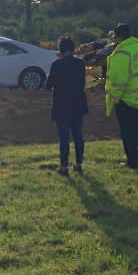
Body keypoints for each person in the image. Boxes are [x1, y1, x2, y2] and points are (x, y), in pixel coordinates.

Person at [105, 22, 138, 169]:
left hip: (126, 98)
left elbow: (118, 80)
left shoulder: (122, 53)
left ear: (118, 37)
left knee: (128, 132)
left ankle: (133, 161)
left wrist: (114, 98)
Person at [45, 36, 88, 175]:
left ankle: (64, 166)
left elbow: (48, 85)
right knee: (78, 136)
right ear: (73, 49)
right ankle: (78, 163)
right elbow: (82, 84)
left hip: (61, 105)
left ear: (60, 50)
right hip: (78, 103)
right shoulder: (81, 64)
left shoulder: (57, 65)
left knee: (64, 138)